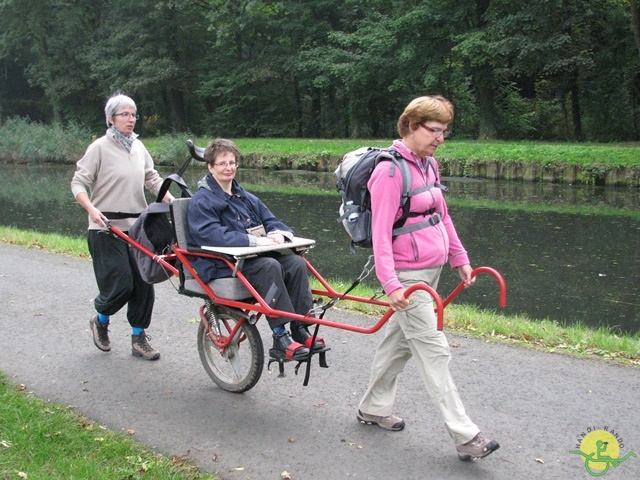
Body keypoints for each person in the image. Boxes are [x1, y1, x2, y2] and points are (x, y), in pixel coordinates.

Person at [356, 95, 500, 461]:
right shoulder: (389, 172)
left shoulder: (429, 165)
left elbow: (442, 216)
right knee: (434, 349)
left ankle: (372, 407)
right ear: (410, 126)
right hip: (408, 276)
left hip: (432, 269)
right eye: (434, 130)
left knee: (399, 343)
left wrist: (459, 257)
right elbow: (380, 234)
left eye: (444, 131)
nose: (440, 138)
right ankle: (466, 435)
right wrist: (392, 286)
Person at [186, 138, 327, 361]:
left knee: (295, 263)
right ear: (210, 166)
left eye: (232, 162)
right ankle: (280, 337)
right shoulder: (202, 201)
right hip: (221, 265)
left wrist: (278, 234)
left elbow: (272, 221)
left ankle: (301, 328)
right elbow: (211, 234)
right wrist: (256, 242)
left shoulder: (245, 196)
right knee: (269, 265)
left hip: (249, 260)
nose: (229, 168)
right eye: (222, 163)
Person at [71, 93, 173, 361]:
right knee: (121, 284)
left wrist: (174, 202)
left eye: (133, 114)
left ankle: (138, 338)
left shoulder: (139, 148)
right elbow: (78, 183)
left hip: (137, 228)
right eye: (125, 114)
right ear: (111, 119)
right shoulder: (99, 148)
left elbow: (152, 179)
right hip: (105, 228)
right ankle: (101, 320)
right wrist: (92, 210)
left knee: (143, 283)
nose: (131, 119)